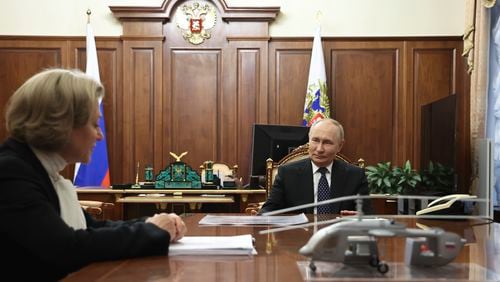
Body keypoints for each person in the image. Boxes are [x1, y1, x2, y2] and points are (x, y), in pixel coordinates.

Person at [0, 68, 187, 281]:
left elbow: (92, 227)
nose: (99, 136)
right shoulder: (10, 173)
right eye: (94, 124)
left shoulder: (35, 168)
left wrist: (151, 223)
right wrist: (151, 232)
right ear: (62, 123)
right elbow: (66, 248)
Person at [259, 118, 372, 215]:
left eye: (327, 142)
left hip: (339, 237)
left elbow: (367, 216)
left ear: (340, 146)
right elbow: (268, 211)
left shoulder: (355, 175)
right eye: (315, 140)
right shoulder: (287, 173)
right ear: (309, 140)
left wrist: (359, 218)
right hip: (298, 237)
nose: (319, 149)